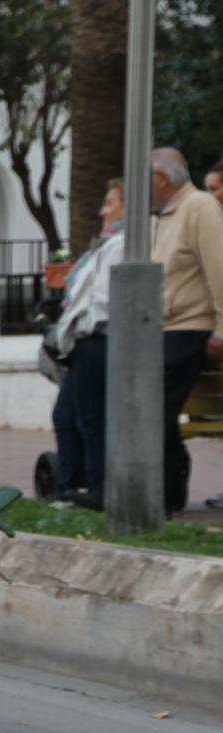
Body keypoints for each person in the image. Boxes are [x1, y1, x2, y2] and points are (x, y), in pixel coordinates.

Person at [149, 147, 223, 515]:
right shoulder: (168, 214)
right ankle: (166, 491)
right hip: (166, 330)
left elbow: (220, 269)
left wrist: (222, 330)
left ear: (160, 178)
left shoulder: (199, 207)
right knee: (149, 410)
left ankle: (163, 495)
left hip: (189, 330)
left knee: (154, 410)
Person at [50, 179, 125, 507]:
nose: (102, 211)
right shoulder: (105, 244)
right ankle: (69, 485)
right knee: (66, 415)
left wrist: (83, 324)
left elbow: (104, 298)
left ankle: (97, 488)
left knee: (90, 418)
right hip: (82, 342)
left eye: (109, 203)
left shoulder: (123, 244)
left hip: (97, 338)